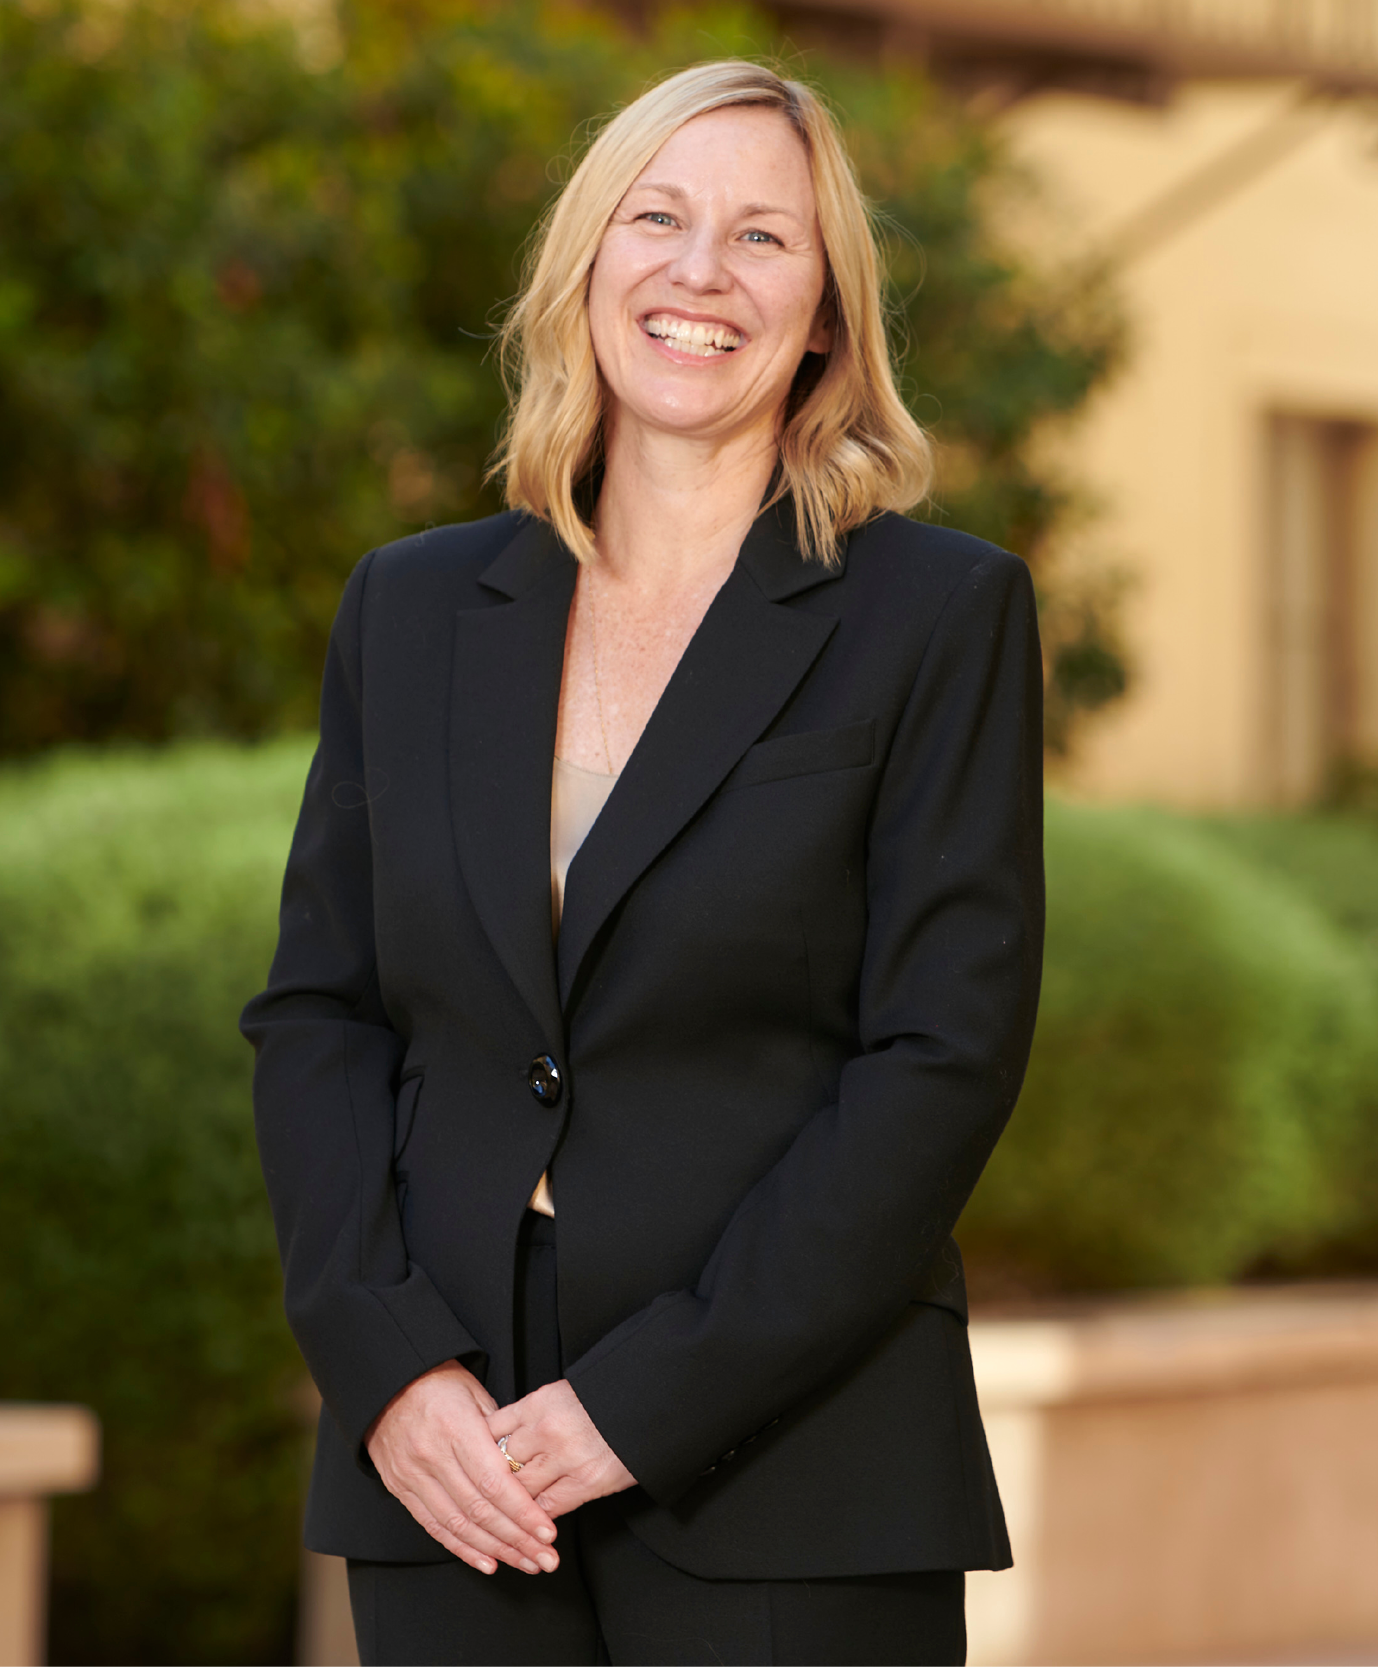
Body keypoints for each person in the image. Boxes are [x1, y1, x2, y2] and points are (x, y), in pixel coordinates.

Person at [240, 57, 1045, 1666]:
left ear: (825, 313)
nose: (699, 272)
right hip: (452, 1458)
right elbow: (322, 1014)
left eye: (764, 239)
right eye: (657, 218)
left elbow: (938, 1058)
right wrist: (387, 1363)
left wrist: (642, 1399)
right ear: (586, 263)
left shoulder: (936, 617)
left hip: (793, 1455)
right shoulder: (409, 611)